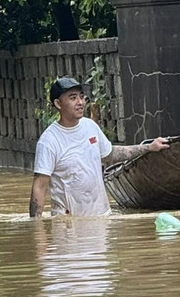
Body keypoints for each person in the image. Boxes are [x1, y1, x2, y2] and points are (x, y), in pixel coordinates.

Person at [29, 76, 171, 217]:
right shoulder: (49, 141)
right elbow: (40, 186)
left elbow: (109, 154)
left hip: (101, 218)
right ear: (58, 104)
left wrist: (148, 148)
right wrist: (37, 228)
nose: (80, 102)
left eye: (81, 96)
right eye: (73, 98)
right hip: (68, 226)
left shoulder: (90, 126)